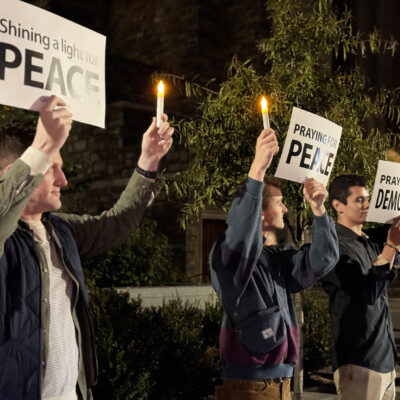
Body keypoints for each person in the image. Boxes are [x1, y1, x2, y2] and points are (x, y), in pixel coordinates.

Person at [0, 95, 173, 400]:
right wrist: (42, 146)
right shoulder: (6, 239)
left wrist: (148, 161)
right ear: (15, 171)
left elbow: (117, 222)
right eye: (52, 168)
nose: (63, 180)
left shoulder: (62, 231)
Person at [210, 128, 339, 400]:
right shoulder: (227, 255)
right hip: (250, 387)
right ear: (259, 211)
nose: (286, 209)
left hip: (281, 384)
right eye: (279, 203)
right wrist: (258, 169)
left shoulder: (277, 257)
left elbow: (324, 258)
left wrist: (319, 209)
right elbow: (240, 234)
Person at [322, 174, 400, 400]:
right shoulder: (334, 247)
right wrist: (391, 245)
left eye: (367, 199)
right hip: (359, 362)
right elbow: (368, 294)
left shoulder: (368, 241)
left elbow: (384, 278)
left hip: (385, 360)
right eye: (359, 200)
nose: (367, 205)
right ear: (338, 205)